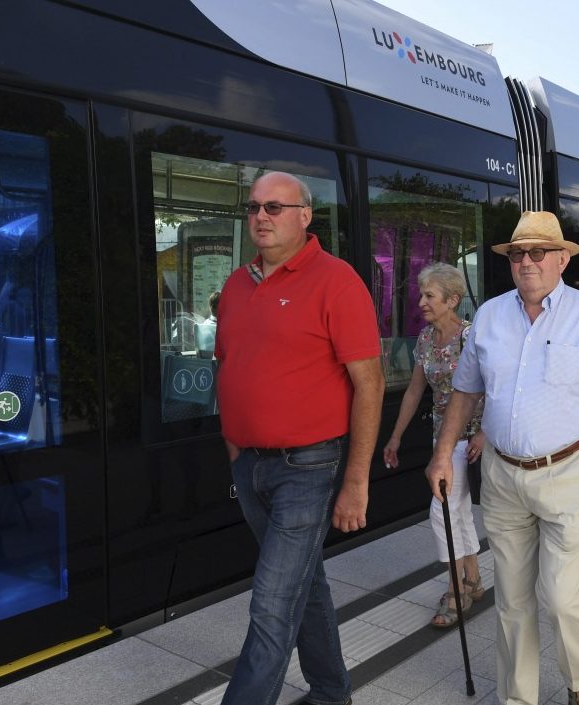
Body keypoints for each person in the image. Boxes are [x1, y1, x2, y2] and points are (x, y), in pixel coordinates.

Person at [425, 210, 579, 705]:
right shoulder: (488, 316)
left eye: (538, 252)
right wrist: (443, 455)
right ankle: (518, 697)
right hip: (503, 474)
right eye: (518, 254)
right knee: (512, 599)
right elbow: (464, 393)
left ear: (561, 260)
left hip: (570, 471)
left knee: (564, 596)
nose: (527, 262)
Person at [215, 171, 384, 705]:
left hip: (309, 466)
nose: (261, 217)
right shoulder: (238, 285)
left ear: (305, 216)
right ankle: (333, 695)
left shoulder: (337, 280)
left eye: (275, 207)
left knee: (270, 604)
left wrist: (356, 481)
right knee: (302, 588)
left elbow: (370, 383)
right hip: (250, 465)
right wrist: (235, 447)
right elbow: (229, 367)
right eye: (254, 208)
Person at [381, 263, 487, 629]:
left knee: (440, 509)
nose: (421, 302)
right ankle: (473, 577)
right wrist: (395, 436)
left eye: (429, 295)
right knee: (456, 510)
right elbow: (415, 390)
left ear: (452, 300)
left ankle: (457, 589)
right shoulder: (426, 338)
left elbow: (496, 385)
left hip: (469, 436)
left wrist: (484, 431)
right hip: (442, 440)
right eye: (421, 294)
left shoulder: (472, 336)